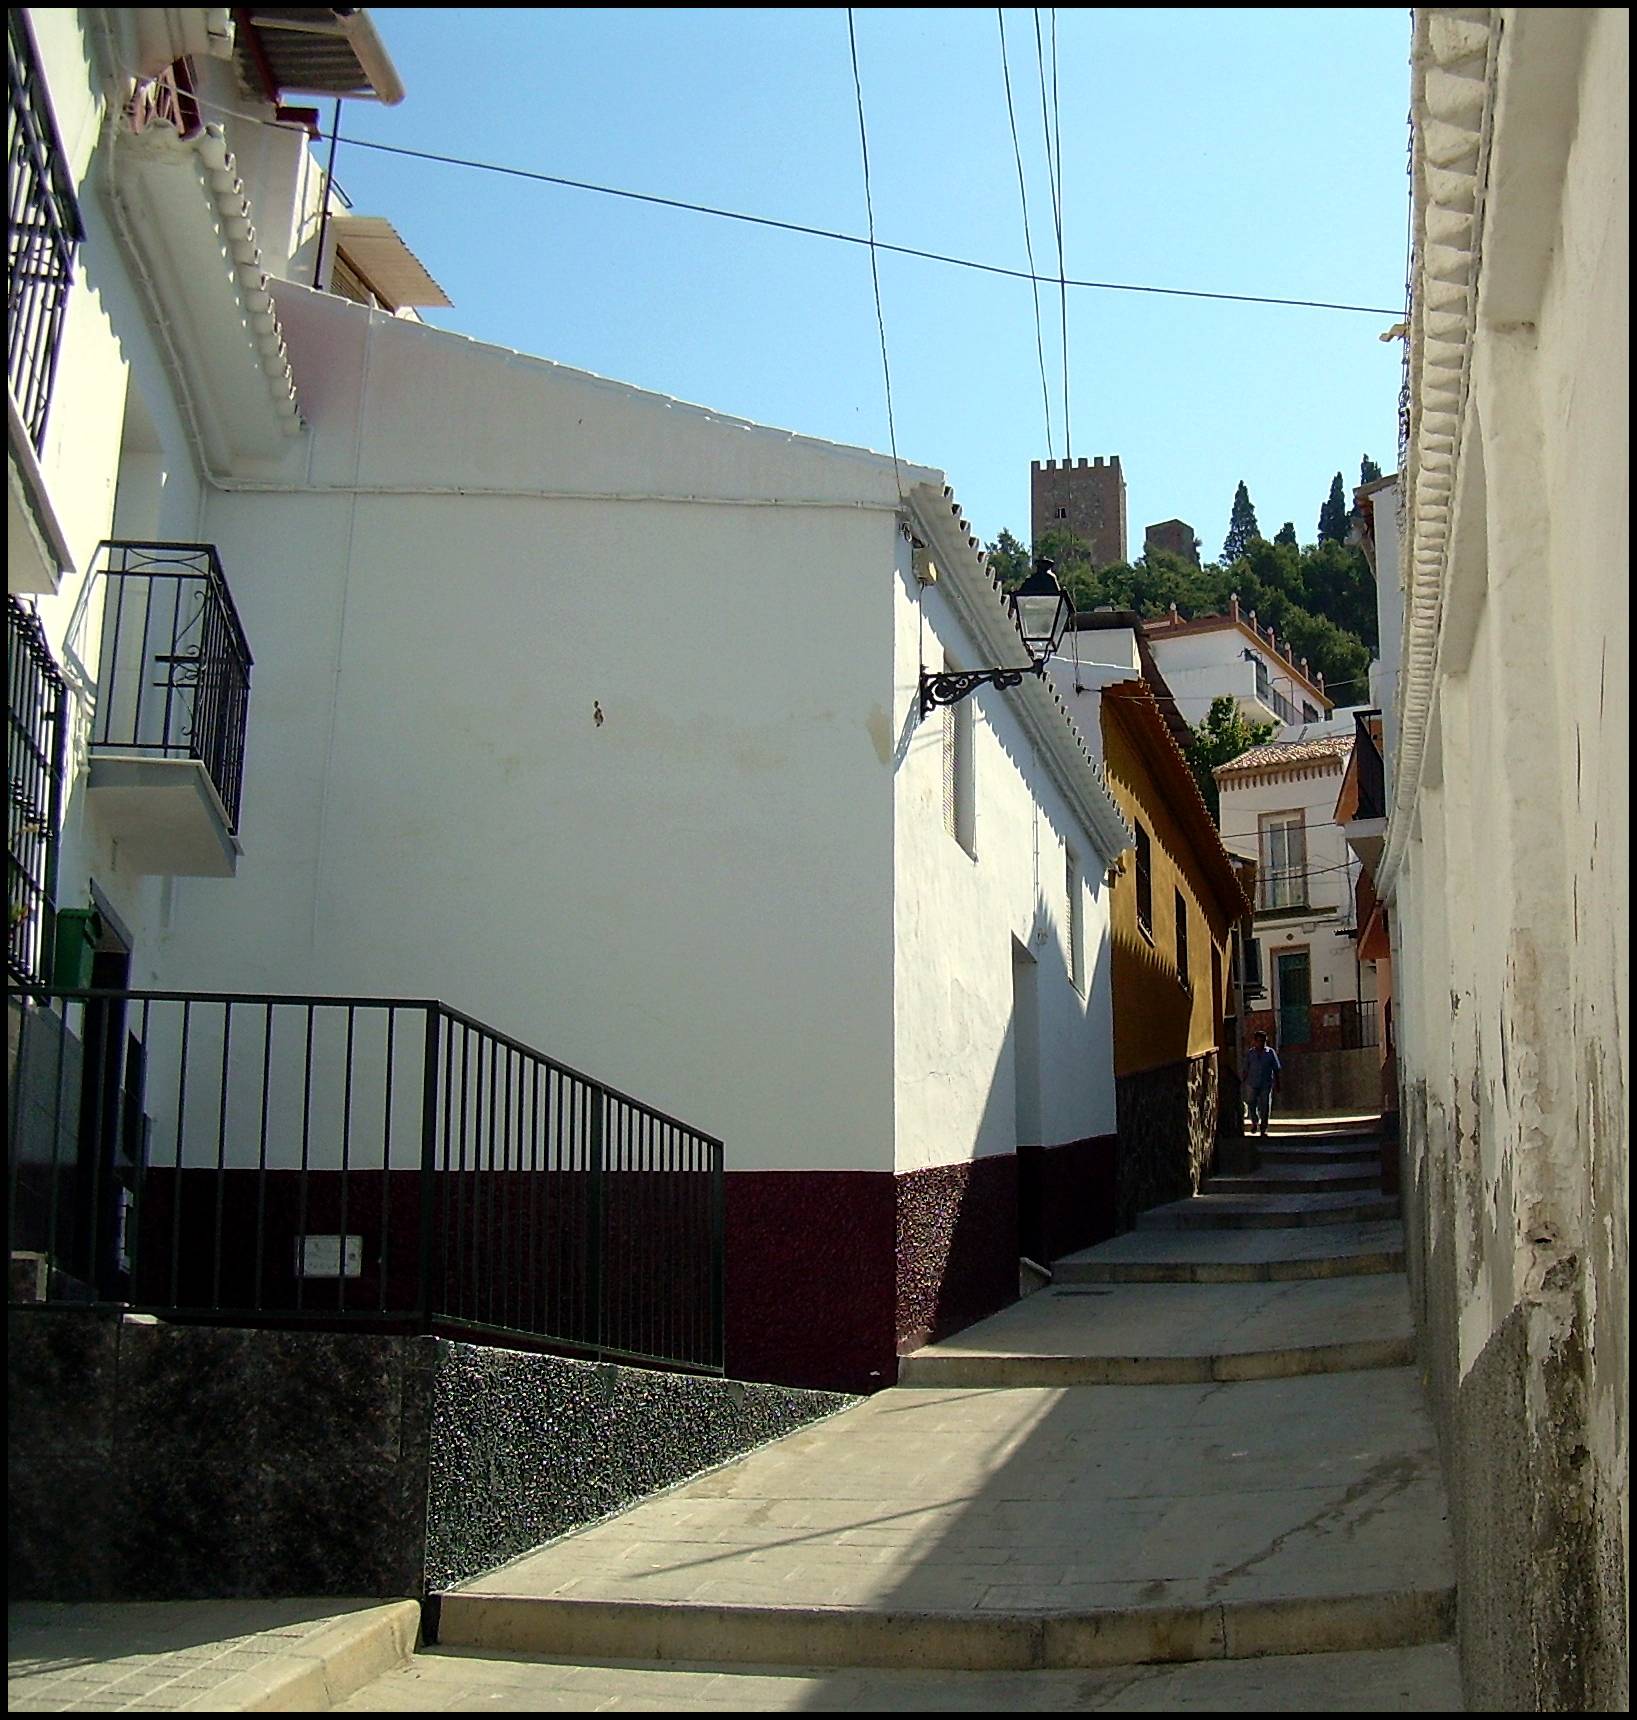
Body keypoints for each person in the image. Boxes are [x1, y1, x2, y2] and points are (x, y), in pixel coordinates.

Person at [1242, 1031, 1281, 1137]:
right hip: (1252, 1082)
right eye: (1258, 1041)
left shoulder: (1270, 1052)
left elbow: (1276, 1068)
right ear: (1254, 1042)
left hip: (1265, 1083)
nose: (1260, 1043)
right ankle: (1254, 1122)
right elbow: (1246, 1068)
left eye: (1263, 1041)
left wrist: (1277, 1083)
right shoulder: (1250, 1053)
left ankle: (1263, 1129)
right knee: (1251, 1103)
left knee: (1265, 1106)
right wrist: (1243, 1081)